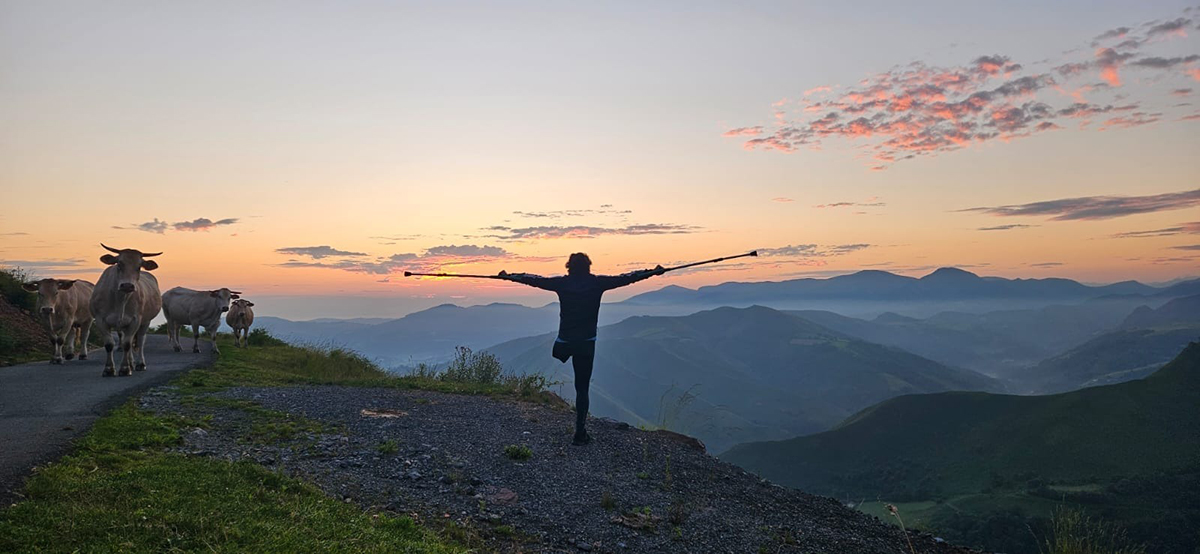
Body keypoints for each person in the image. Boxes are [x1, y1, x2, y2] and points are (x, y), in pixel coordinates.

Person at [501, 253, 665, 445]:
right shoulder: (597, 283)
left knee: (564, 354)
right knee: (582, 388)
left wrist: (510, 276)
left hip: (565, 342)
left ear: (569, 266)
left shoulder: (562, 283)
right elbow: (627, 278)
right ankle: (580, 432)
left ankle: (560, 354)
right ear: (589, 266)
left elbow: (535, 280)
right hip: (586, 343)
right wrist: (652, 272)